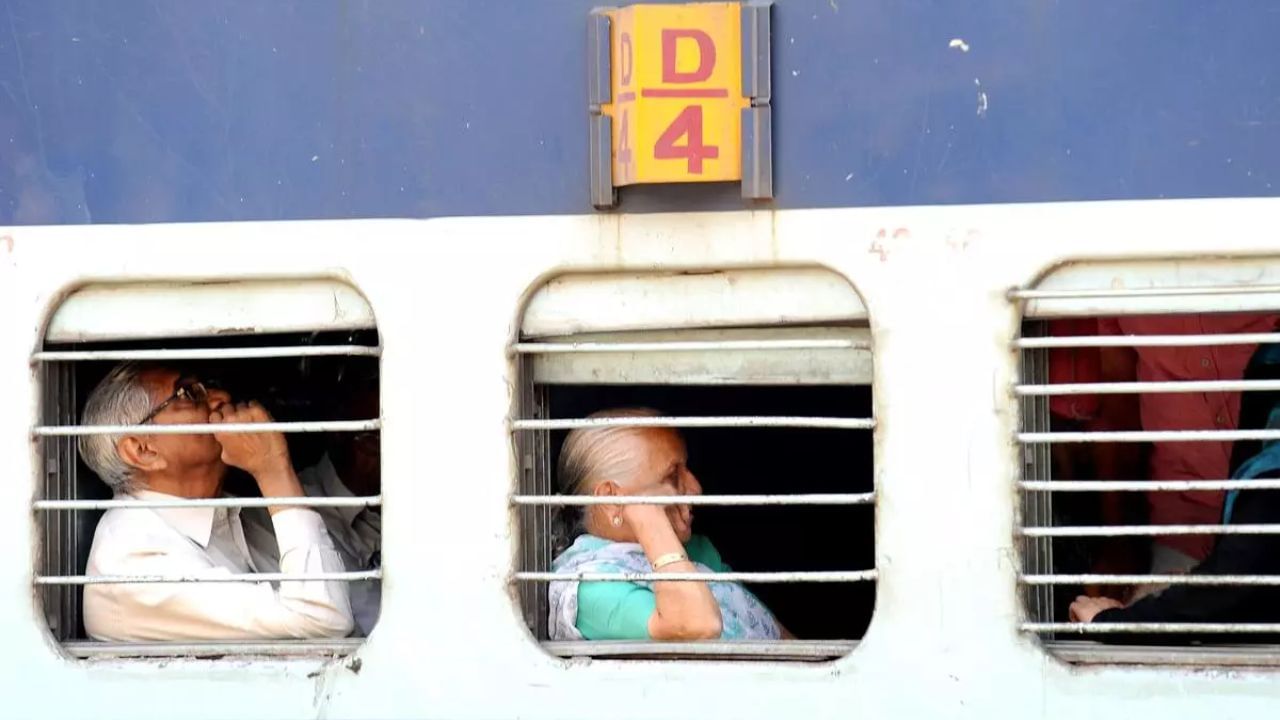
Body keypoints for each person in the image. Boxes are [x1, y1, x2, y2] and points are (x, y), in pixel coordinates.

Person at [78, 363, 354, 642]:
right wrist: (273, 469)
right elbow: (324, 619)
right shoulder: (133, 559)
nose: (220, 397)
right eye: (187, 394)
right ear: (143, 451)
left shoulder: (230, 515)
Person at [1050, 313, 1279, 599]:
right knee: (1150, 631)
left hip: (1269, 510)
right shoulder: (1117, 281)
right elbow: (1118, 405)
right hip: (1181, 519)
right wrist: (1118, 541)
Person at [547, 408, 787, 642]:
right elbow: (698, 625)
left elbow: (782, 641)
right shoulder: (588, 588)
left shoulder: (697, 551)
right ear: (611, 499)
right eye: (673, 476)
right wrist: (646, 517)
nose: (695, 489)